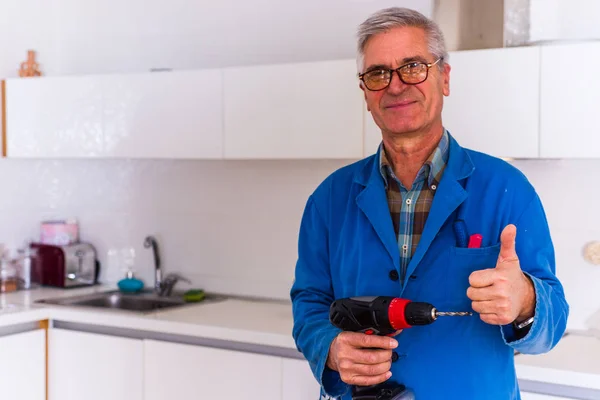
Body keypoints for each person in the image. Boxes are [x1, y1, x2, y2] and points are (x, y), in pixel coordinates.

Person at [290, 6, 568, 400]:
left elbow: (552, 321)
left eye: (414, 66)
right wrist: (330, 348)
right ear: (366, 93)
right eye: (378, 73)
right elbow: (310, 302)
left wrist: (525, 300)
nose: (396, 85)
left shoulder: (508, 189)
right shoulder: (329, 198)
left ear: (445, 77)